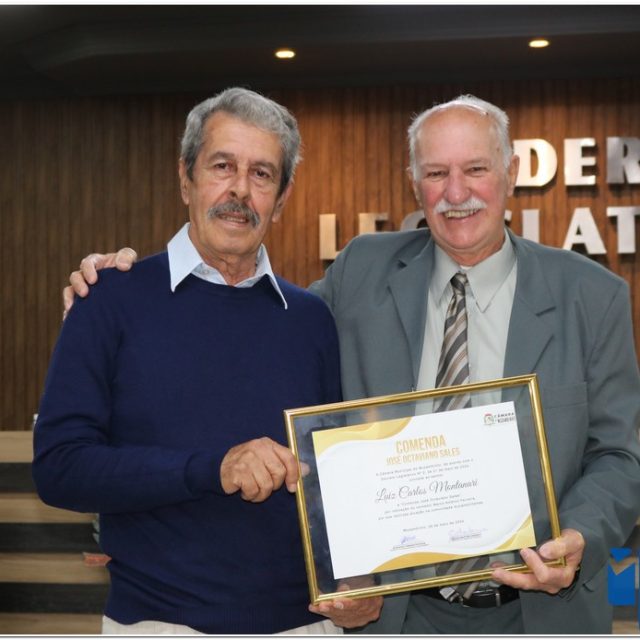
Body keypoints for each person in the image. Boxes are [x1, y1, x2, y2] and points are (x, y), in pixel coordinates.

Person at [63, 95, 640, 634]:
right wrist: (126, 285)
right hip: (395, 615)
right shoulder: (363, 271)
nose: (455, 192)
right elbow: (249, 328)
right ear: (414, 182)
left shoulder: (593, 297)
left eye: (476, 169)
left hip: (542, 611)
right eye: (435, 173)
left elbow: (621, 454)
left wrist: (580, 535)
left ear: (510, 172)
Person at [34, 87, 382, 635]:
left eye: (262, 174)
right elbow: (60, 469)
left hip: (304, 627)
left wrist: (360, 581)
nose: (239, 189)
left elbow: (333, 484)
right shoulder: (108, 299)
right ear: (186, 178)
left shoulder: (311, 319)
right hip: (159, 624)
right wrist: (213, 469)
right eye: (222, 166)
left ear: (282, 198)